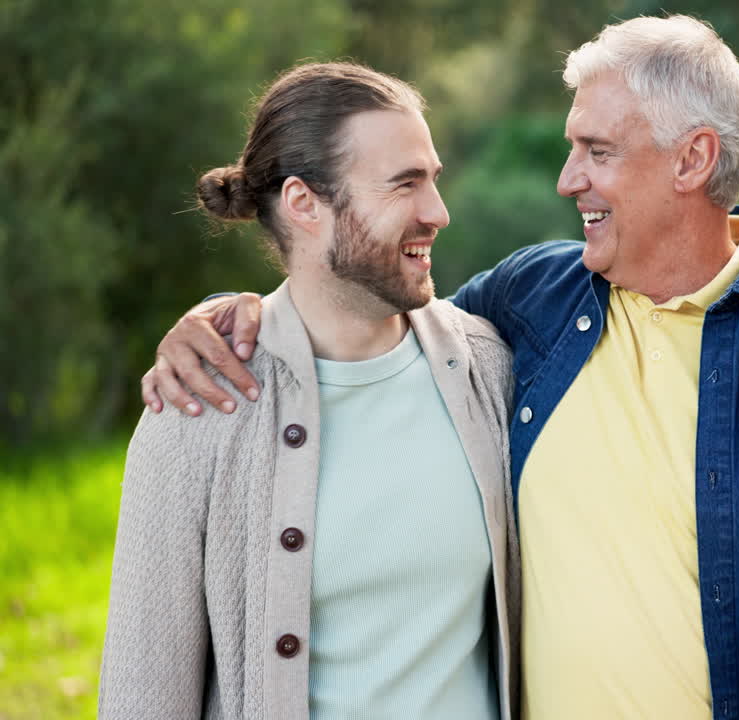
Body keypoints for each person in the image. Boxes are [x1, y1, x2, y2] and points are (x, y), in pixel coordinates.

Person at [137, 17, 739, 720]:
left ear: (693, 161)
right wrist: (230, 321)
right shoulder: (527, 305)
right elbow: (360, 312)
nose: (568, 181)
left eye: (595, 152)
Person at [99, 62, 518, 720]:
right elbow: (141, 694)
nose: (437, 212)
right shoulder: (198, 408)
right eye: (404, 185)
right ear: (303, 205)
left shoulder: (487, 370)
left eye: (432, 180)